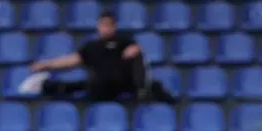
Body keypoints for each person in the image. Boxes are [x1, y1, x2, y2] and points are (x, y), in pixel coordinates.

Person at [24, 11, 175, 103]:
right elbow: (71, 61)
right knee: (80, 85)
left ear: (114, 26)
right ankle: (42, 85)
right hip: (101, 85)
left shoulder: (124, 41)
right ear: (98, 26)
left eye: (109, 25)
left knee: (154, 85)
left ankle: (150, 95)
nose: (106, 28)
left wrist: (136, 50)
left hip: (125, 83)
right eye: (103, 25)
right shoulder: (92, 47)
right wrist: (45, 65)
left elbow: (138, 58)